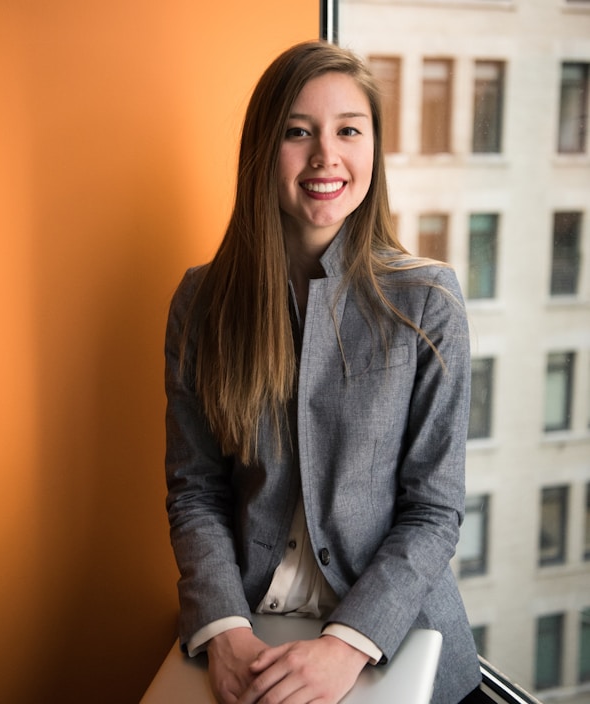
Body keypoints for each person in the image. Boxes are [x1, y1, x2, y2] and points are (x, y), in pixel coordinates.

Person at [164, 40, 482, 704]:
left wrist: (348, 646)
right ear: (263, 150)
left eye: (348, 131)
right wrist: (225, 632)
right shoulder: (202, 303)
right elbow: (196, 492)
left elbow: (433, 511)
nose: (325, 156)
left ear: (373, 150)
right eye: (297, 132)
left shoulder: (429, 301)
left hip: (394, 643)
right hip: (249, 634)